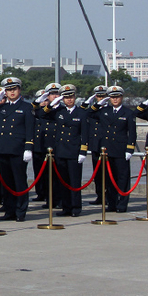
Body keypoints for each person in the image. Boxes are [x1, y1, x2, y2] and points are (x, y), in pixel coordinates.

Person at [0, 77, 35, 222]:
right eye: (9, 90)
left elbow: (30, 129)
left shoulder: (26, 107)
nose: (12, 92)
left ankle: (20, 211)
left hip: (18, 150)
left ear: (19, 90)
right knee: (6, 183)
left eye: (14, 89)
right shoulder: (2, 107)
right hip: (3, 148)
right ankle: (9, 210)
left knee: (19, 182)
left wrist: (28, 147)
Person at [87, 85, 136, 214]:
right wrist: (98, 104)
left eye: (117, 97)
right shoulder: (104, 111)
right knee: (109, 178)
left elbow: (132, 133)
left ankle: (122, 204)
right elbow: (88, 113)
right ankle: (112, 203)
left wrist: (130, 149)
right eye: (112, 97)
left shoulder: (128, 112)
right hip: (107, 150)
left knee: (122, 178)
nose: (115, 100)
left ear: (121, 97)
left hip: (121, 149)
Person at [42, 84, 89, 217]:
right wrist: (51, 105)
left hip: (74, 152)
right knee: (63, 181)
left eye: (71, 97)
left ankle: (75, 207)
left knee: (74, 182)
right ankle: (66, 207)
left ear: (75, 97)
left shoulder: (81, 113)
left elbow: (85, 134)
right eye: (66, 97)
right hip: (61, 151)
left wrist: (83, 151)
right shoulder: (59, 112)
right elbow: (41, 114)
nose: (69, 100)